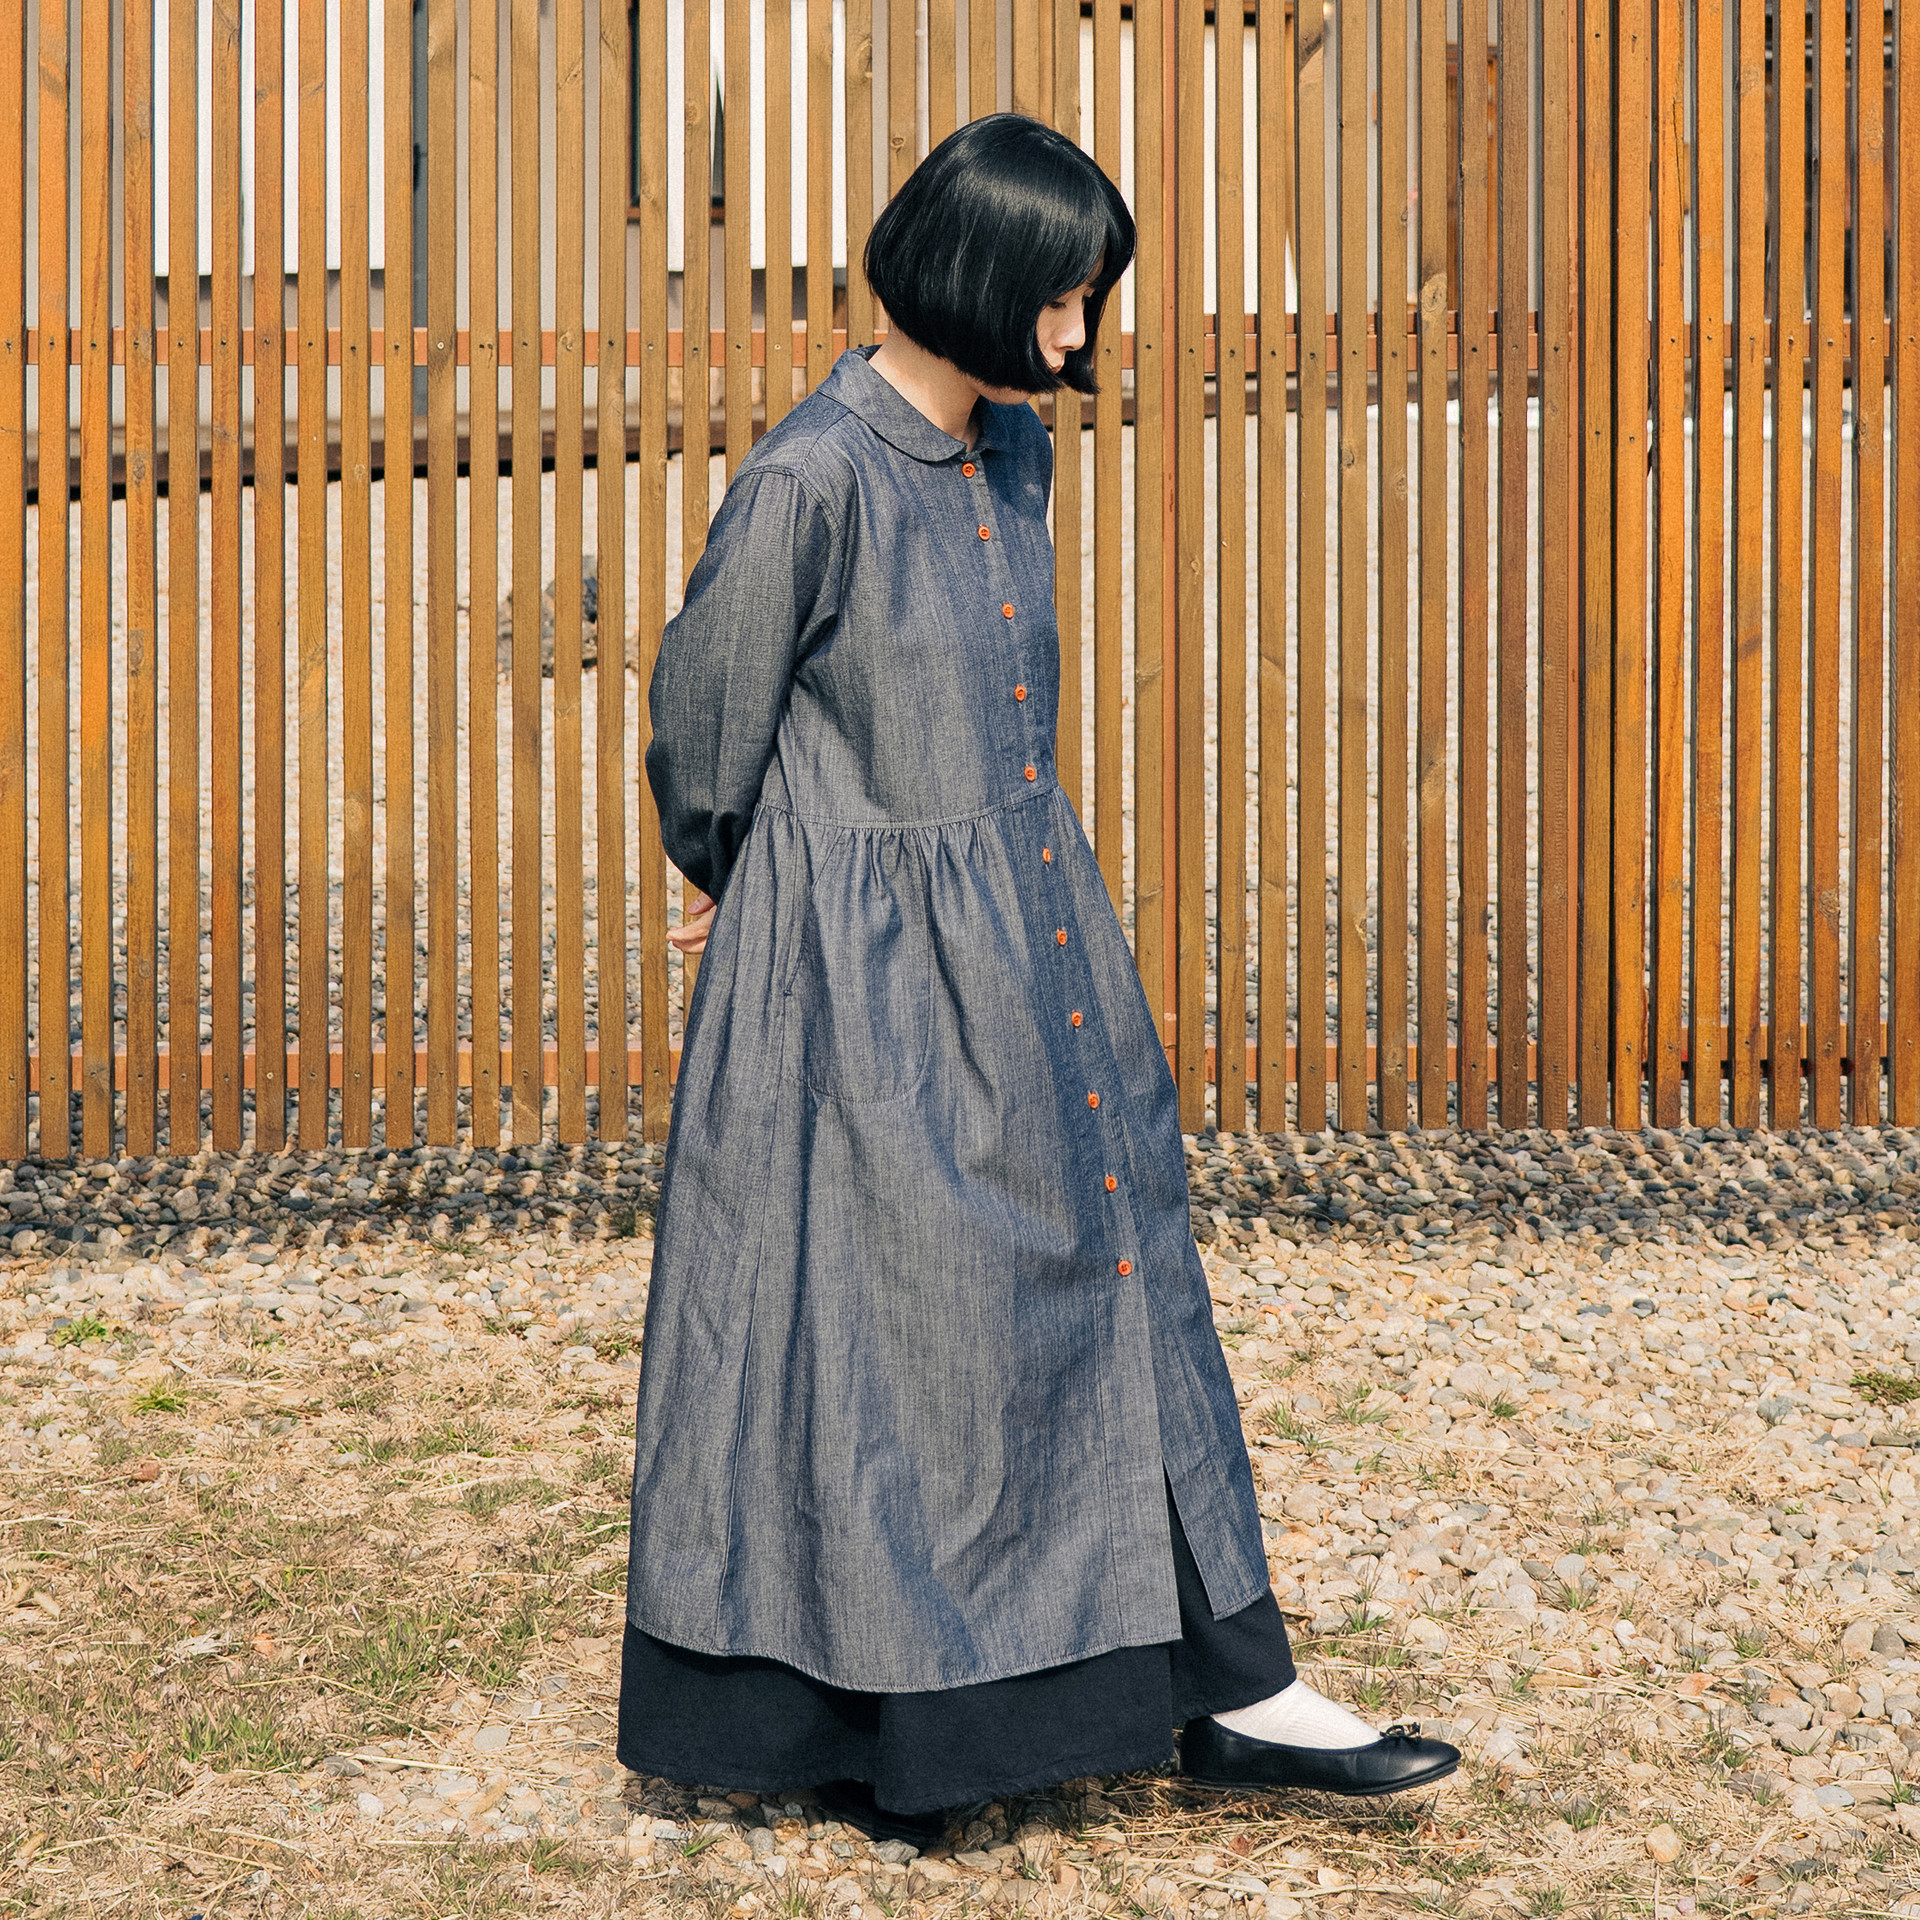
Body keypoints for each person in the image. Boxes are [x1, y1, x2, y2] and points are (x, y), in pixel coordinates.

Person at [618, 112, 1458, 1841]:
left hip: (1031, 922)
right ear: (970, 279)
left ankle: (1234, 1685)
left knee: (1113, 1276)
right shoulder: (810, 482)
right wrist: (736, 875)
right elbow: (704, 721)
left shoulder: (1013, 452)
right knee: (901, 1334)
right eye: (1059, 302)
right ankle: (901, 1730)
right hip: (858, 977)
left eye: (1089, 302)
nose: (1077, 340)